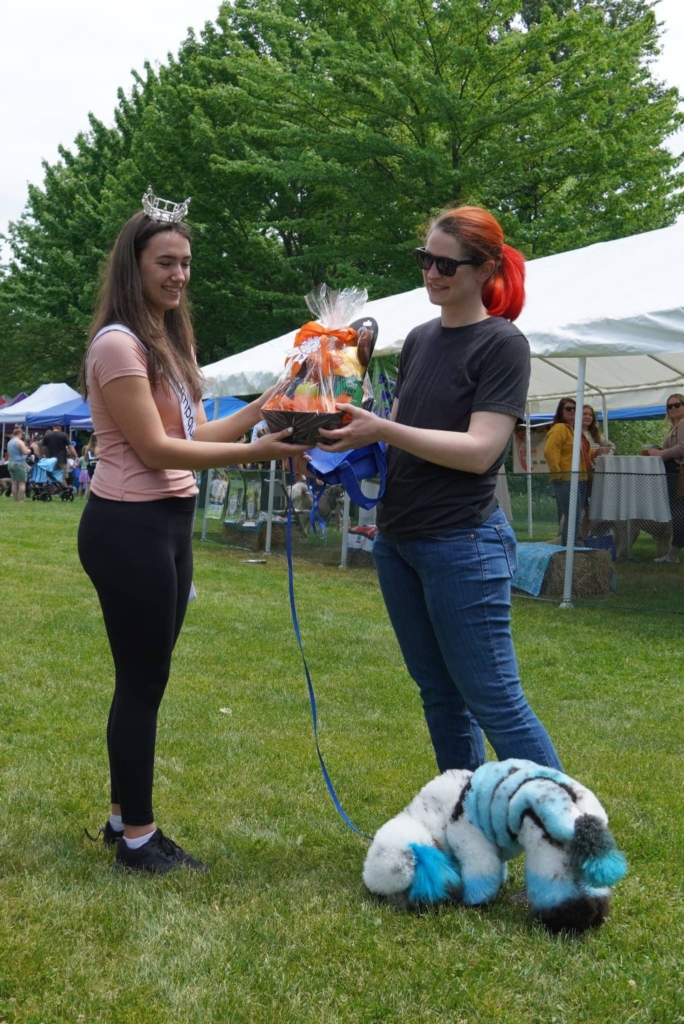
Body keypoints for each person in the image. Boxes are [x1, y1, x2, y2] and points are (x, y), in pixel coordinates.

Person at [78, 187, 308, 873]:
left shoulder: (167, 340)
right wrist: (258, 453)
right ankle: (141, 841)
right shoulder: (119, 345)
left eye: (185, 264)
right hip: (129, 524)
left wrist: (268, 405)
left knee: (146, 676)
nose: (178, 275)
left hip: (167, 522)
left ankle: (125, 821)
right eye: (164, 263)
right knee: (143, 679)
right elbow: (155, 450)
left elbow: (192, 434)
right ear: (133, 267)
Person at [318, 205, 561, 774]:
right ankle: (467, 830)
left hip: (463, 543)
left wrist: (381, 427)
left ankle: (575, 841)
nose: (431, 273)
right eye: (425, 259)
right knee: (440, 697)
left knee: (496, 702)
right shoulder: (420, 340)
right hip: (398, 540)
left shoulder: (502, 343)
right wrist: (333, 432)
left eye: (446, 264)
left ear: (485, 269)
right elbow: (401, 436)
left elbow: (480, 451)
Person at [544, 398, 609, 545]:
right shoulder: (559, 428)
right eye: (568, 408)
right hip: (566, 479)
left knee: (576, 515)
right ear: (561, 411)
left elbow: (581, 453)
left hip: (580, 478)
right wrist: (558, 474)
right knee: (572, 515)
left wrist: (595, 453)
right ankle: (569, 546)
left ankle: (570, 545)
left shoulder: (574, 431)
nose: (572, 411)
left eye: (575, 408)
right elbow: (550, 451)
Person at [645, 393, 684, 564]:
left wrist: (661, 453)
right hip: (673, 472)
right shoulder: (675, 426)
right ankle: (673, 554)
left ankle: (674, 555)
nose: (673, 408)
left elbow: (682, 448)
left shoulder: (683, 424)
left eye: (677, 404)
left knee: (678, 513)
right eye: (670, 406)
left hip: (678, 473)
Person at [7, 426, 30, 502]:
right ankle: (21, 501)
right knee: (22, 483)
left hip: (10, 463)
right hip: (19, 463)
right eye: (22, 433)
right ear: (19, 433)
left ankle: (15, 500)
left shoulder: (9, 442)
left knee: (14, 483)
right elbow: (24, 452)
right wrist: (29, 450)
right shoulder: (19, 441)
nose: (22, 435)